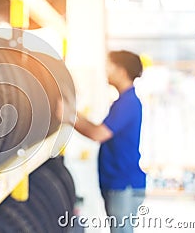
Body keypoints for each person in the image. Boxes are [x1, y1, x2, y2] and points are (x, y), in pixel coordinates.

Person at [58, 50, 146, 233]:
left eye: (110, 66)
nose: (106, 71)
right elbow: (99, 128)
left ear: (122, 71)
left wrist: (68, 117)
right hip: (119, 182)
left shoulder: (127, 102)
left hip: (123, 184)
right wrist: (71, 113)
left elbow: (99, 133)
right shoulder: (125, 100)